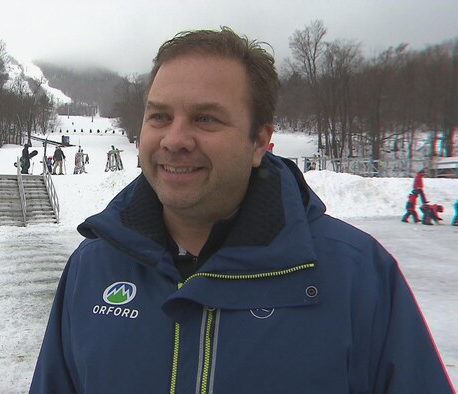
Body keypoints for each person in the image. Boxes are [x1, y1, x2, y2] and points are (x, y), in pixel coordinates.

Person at [30, 28, 453, 393]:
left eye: (206, 119)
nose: (175, 139)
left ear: (259, 141)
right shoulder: (93, 268)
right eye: (160, 116)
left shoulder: (358, 277)